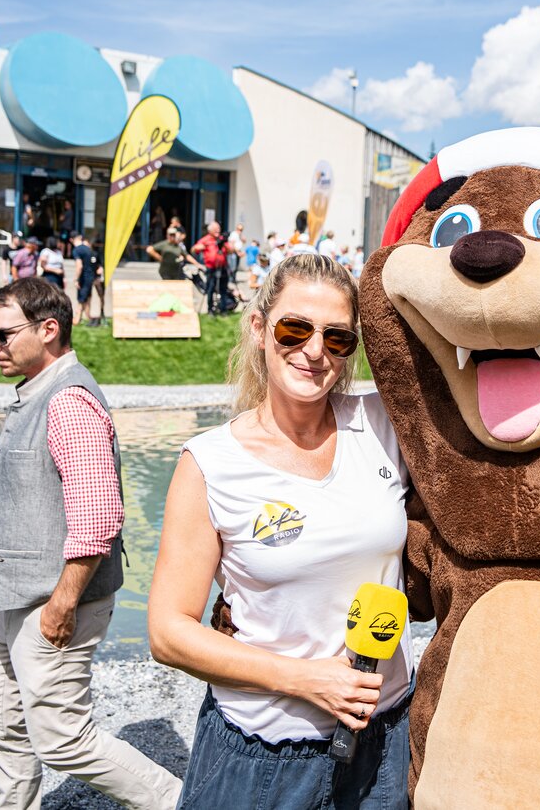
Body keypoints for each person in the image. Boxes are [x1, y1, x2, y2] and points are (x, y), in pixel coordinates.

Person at [148, 253, 412, 809]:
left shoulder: (384, 423)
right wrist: (304, 679)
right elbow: (168, 632)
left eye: (337, 338)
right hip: (263, 754)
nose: (315, 351)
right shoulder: (210, 463)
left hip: (383, 739)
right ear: (259, 328)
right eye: (295, 329)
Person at [0, 277, 182, 809]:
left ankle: (180, 802)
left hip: (55, 601)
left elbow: (99, 517)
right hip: (16, 598)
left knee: (64, 741)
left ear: (48, 329)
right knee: (0, 719)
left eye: (2, 335)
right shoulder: (40, 391)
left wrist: (62, 605)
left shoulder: (68, 401)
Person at [194, 222, 230, 314]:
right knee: (210, 288)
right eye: (215, 228)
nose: (218, 230)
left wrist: (224, 244)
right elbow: (194, 249)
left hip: (223, 267)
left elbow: (231, 250)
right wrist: (200, 247)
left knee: (223, 289)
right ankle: (210, 309)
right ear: (210, 230)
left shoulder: (222, 239)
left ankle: (223, 310)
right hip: (211, 269)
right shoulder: (205, 240)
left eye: (219, 228)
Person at [69, 232, 96, 324]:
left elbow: (79, 266)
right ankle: (88, 316)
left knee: (81, 298)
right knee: (87, 297)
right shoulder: (88, 249)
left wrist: (76, 279)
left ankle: (77, 319)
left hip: (83, 277)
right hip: (90, 276)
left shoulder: (77, 250)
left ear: (71, 240)